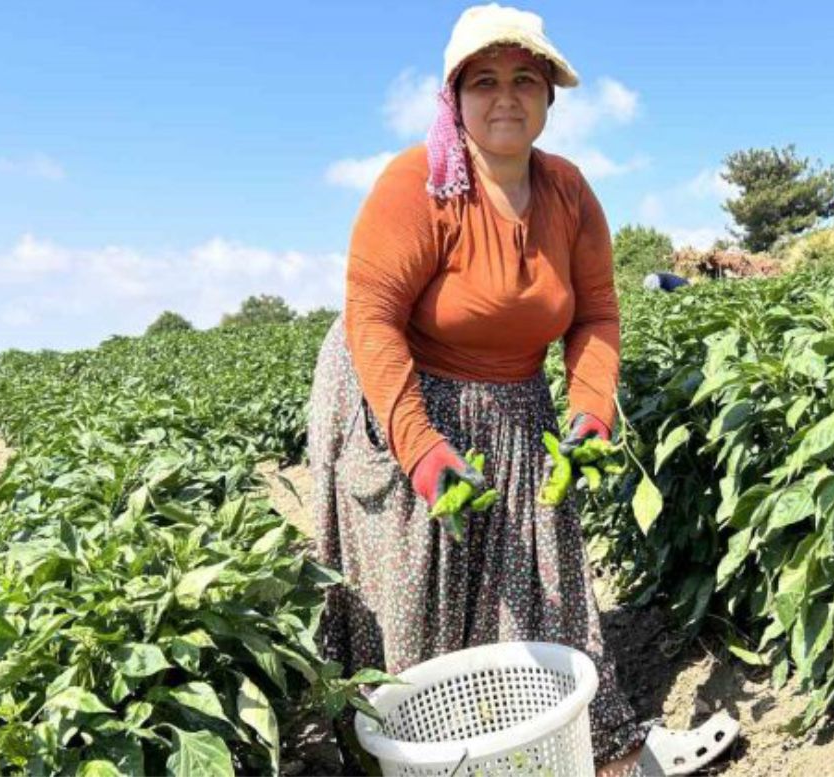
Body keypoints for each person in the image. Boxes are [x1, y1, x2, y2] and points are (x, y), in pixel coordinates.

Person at [307, 4, 737, 774]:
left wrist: (591, 411)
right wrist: (423, 450)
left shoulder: (568, 191)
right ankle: (438, 758)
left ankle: (602, 749)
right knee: (421, 586)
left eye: (523, 79)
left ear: (547, 96)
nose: (505, 96)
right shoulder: (417, 184)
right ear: (454, 98)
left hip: (514, 403)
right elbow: (371, 323)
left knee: (545, 577)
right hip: (401, 394)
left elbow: (597, 314)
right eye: (484, 81)